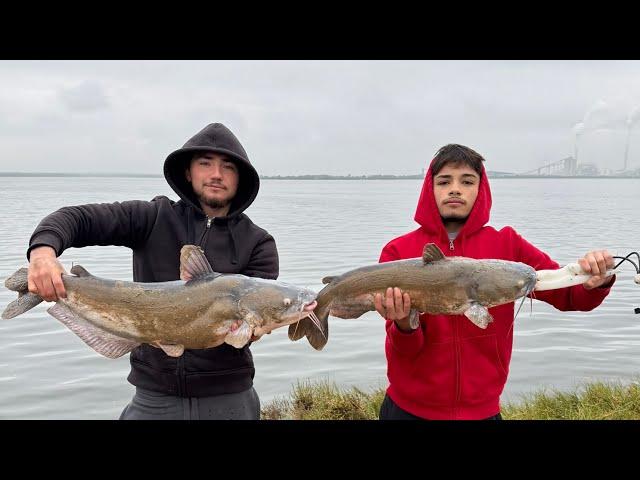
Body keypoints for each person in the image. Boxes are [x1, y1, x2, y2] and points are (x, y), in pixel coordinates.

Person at [26, 123, 279, 420]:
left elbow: (255, 319)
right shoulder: (153, 217)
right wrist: (42, 251)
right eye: (205, 163)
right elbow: (76, 218)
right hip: (154, 396)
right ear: (188, 172)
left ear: (241, 178)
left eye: (228, 167)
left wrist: (254, 330)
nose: (216, 175)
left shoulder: (258, 243)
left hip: (229, 398)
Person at [374, 144, 615, 420]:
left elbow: (567, 294)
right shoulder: (398, 252)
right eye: (444, 181)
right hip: (408, 409)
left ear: (481, 188)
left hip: (482, 411)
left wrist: (593, 280)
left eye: (467, 181)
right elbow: (405, 350)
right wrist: (404, 324)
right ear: (430, 189)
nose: (455, 189)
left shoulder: (508, 245)